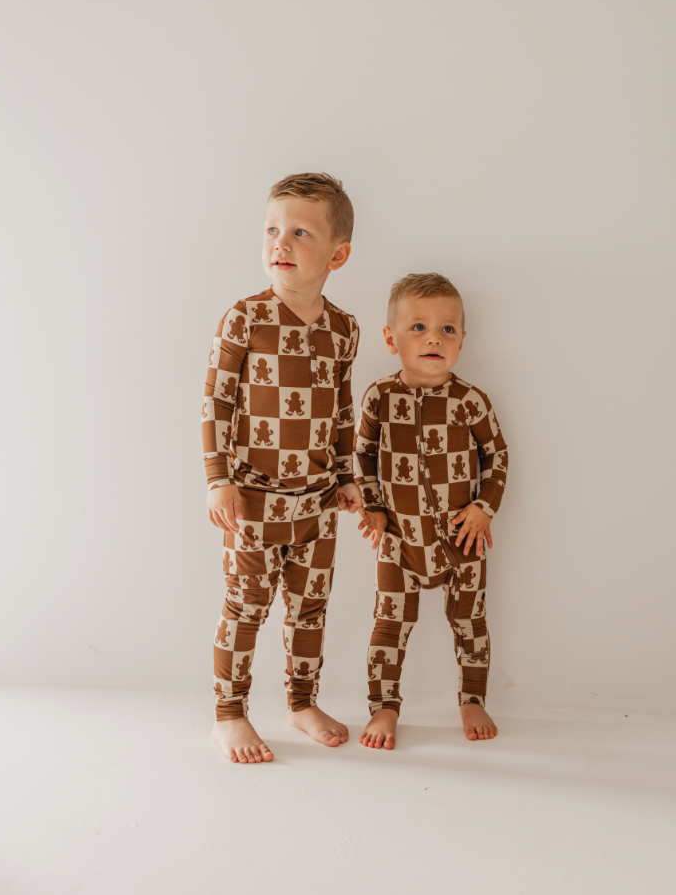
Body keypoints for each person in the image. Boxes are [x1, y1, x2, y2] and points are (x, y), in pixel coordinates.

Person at [202, 172, 363, 763]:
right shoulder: (244, 319)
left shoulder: (344, 330)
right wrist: (218, 480)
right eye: (272, 229)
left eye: (300, 232)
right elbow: (215, 402)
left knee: (310, 606)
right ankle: (229, 713)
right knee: (246, 605)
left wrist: (347, 477)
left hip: (317, 503)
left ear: (337, 253)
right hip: (254, 499)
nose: (281, 242)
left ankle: (300, 701)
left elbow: (342, 409)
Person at [354, 272, 508, 749]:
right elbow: (362, 458)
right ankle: (384, 707)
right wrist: (374, 508)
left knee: (470, 620)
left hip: (463, 537)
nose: (434, 338)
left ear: (462, 339)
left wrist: (485, 508)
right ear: (390, 338)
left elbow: (497, 456)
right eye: (418, 327)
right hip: (400, 539)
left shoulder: (470, 400)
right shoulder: (380, 398)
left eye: (447, 329)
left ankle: (472, 697)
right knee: (389, 623)